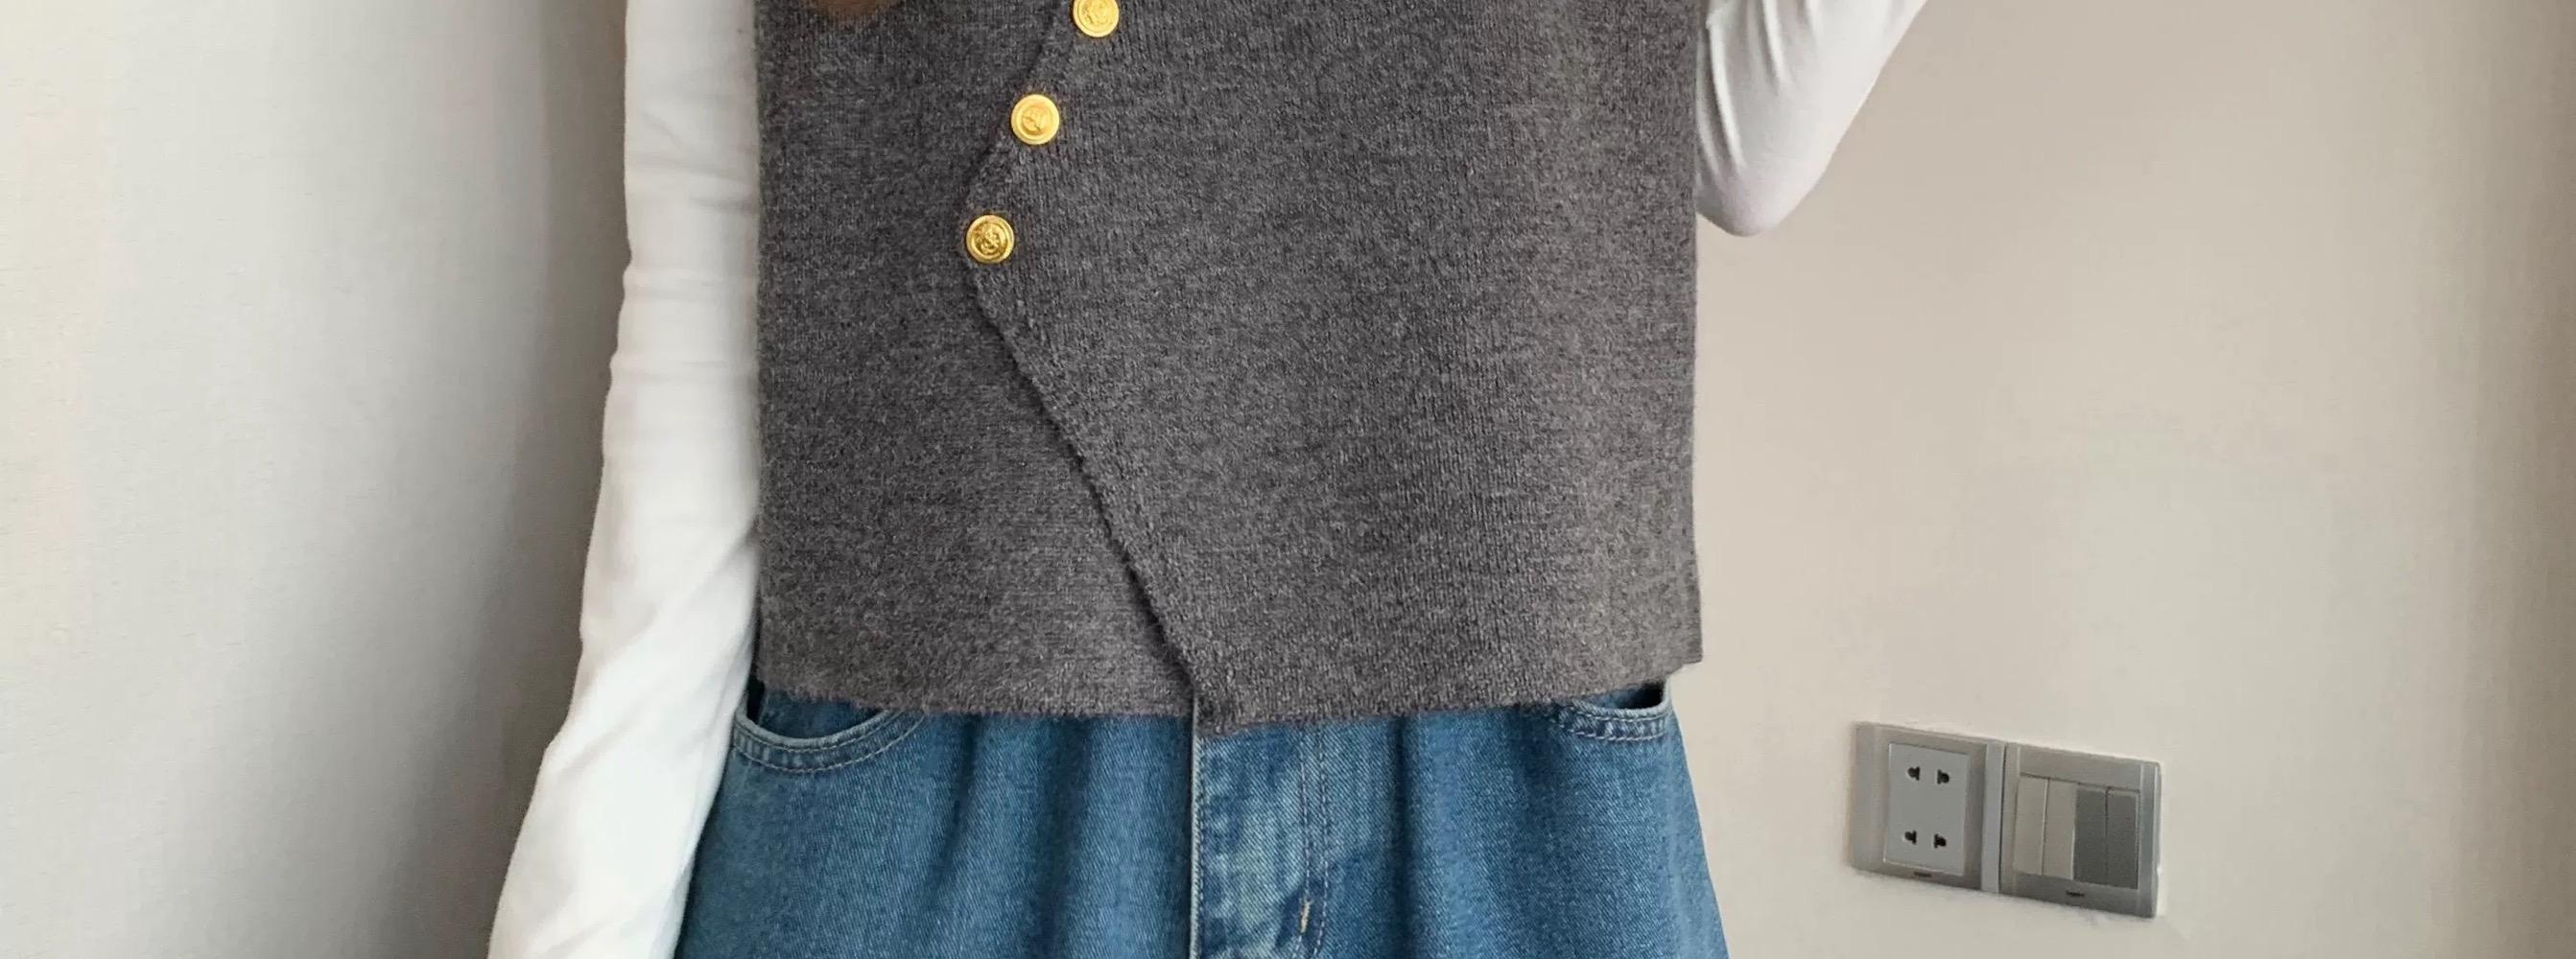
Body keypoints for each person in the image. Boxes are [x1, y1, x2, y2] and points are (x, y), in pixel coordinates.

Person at [490, 0, 1926, 956]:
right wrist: (585, 910)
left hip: (1494, 739)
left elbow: (1736, 140)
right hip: (939, 743)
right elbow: (717, 243)